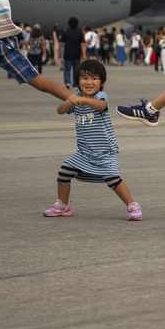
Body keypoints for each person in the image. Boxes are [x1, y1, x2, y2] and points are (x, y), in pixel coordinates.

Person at [43, 59, 142, 221]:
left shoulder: (100, 96)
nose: (89, 82)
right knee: (64, 173)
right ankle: (63, 205)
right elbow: (60, 111)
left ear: (102, 82)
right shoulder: (75, 98)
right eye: (84, 78)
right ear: (78, 81)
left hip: (105, 151)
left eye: (94, 78)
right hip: (84, 151)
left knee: (112, 179)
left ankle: (132, 206)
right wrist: (69, 100)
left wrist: (83, 100)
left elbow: (101, 106)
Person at [60, 17, 85, 89]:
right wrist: (84, 54)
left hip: (67, 53)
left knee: (67, 68)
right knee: (76, 69)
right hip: (77, 54)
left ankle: (67, 82)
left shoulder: (66, 32)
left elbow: (61, 42)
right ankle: (75, 84)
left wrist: (58, 51)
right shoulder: (80, 33)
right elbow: (82, 44)